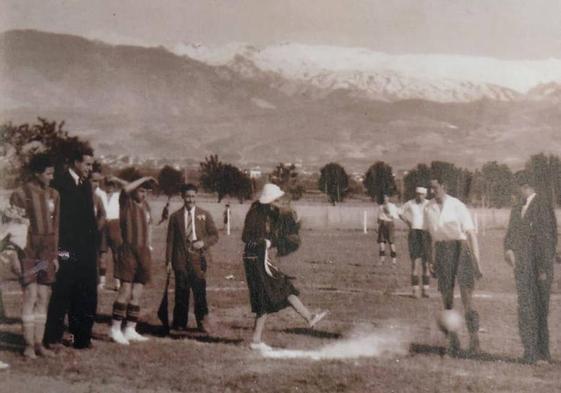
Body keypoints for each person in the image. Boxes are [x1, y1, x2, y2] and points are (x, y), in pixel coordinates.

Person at [242, 183, 327, 350]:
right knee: (281, 288)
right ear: (271, 200)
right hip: (256, 259)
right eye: (277, 200)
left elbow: (276, 233)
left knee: (268, 296)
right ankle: (309, 317)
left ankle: (256, 340)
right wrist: (263, 242)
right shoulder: (255, 214)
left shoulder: (267, 213)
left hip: (258, 258)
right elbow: (246, 237)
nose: (280, 202)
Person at [44, 145, 98, 350]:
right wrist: (59, 252)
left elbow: (90, 221)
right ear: (76, 162)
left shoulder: (86, 186)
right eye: (87, 164)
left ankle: (81, 338)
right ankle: (53, 338)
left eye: (92, 165)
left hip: (84, 252)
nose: (90, 168)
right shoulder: (59, 183)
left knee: (85, 293)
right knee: (63, 290)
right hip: (65, 250)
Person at [424, 176, 482, 355]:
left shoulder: (457, 205)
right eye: (430, 189)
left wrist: (477, 262)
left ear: (444, 186)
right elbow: (427, 237)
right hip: (442, 251)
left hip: (461, 248)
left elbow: (471, 234)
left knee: (467, 299)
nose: (432, 192)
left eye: (435, 188)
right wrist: (430, 259)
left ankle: (474, 340)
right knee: (447, 299)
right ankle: (453, 340)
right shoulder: (428, 208)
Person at [9, 153, 60, 358]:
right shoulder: (20, 194)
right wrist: (13, 256)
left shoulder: (55, 195)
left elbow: (57, 227)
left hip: (46, 253)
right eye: (48, 174)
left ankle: (39, 343)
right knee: (30, 295)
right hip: (28, 250)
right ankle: (28, 344)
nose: (51, 177)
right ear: (37, 173)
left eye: (52, 173)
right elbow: (12, 228)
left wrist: (55, 255)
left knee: (43, 296)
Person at [504, 171, 557, 364]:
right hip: (523, 270)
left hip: (539, 270)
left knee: (539, 311)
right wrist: (508, 249)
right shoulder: (516, 208)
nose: (514, 191)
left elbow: (547, 240)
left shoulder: (542, 206)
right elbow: (510, 234)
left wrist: (543, 270)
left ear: (524, 186)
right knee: (525, 310)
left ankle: (542, 353)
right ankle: (530, 352)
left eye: (515, 186)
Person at [108, 175, 156, 345]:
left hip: (143, 251)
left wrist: (149, 245)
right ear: (135, 189)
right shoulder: (126, 202)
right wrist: (144, 178)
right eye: (141, 190)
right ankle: (115, 329)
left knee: (137, 292)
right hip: (128, 250)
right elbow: (126, 189)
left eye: (146, 191)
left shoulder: (146, 206)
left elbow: (150, 225)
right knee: (125, 290)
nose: (144, 194)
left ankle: (130, 329)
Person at [165, 183, 219, 334]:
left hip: (198, 258)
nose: (190, 200)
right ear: (182, 196)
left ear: (197, 197)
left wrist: (204, 242)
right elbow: (170, 241)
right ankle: (179, 322)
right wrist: (168, 261)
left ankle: (202, 322)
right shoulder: (175, 217)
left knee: (199, 291)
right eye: (187, 196)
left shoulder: (204, 214)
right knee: (181, 291)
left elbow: (215, 235)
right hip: (180, 259)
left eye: (193, 196)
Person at [399, 187, 431, 298]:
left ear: (425, 195)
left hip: (426, 234)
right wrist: (408, 221)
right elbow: (400, 212)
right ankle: (415, 290)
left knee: (426, 264)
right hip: (414, 233)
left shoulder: (430, 204)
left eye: (422, 194)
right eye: (417, 194)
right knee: (415, 263)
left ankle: (425, 290)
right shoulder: (410, 203)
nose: (419, 196)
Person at [98, 178, 122, 291]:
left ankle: (118, 282)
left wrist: (116, 178)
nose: (110, 187)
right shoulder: (100, 194)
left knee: (117, 255)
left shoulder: (119, 196)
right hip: (103, 225)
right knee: (102, 255)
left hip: (115, 225)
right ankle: (102, 282)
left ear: (115, 186)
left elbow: (129, 187)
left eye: (112, 185)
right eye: (108, 184)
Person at [90, 164, 107, 291]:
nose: (96, 184)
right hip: (75, 238)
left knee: (94, 260)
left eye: (98, 181)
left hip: (92, 236)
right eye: (94, 181)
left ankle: (95, 282)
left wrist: (97, 229)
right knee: (66, 256)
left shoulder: (97, 198)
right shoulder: (76, 196)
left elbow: (103, 214)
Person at [377, 194, 399, 265]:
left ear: (388, 198)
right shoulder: (380, 207)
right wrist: (378, 226)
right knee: (381, 243)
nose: (385, 199)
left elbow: (395, 216)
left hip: (389, 224)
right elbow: (379, 218)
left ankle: (394, 260)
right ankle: (382, 260)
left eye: (386, 197)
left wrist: (389, 213)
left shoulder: (392, 206)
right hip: (383, 224)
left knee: (391, 243)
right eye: (383, 198)